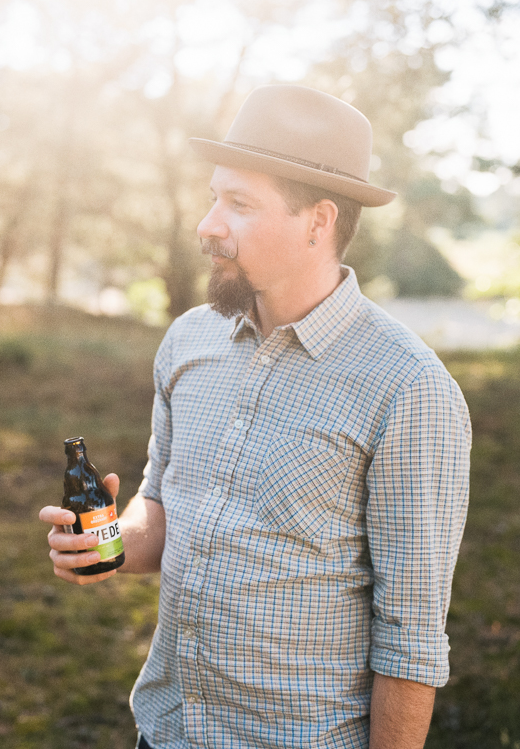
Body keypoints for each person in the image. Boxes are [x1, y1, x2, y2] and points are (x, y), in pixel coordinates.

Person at [40, 85, 471, 749]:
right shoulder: (188, 341)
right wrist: (106, 541)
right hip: (165, 733)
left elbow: (410, 640)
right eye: (215, 197)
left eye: (239, 204)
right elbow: (163, 506)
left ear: (318, 222)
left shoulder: (409, 388)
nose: (209, 224)